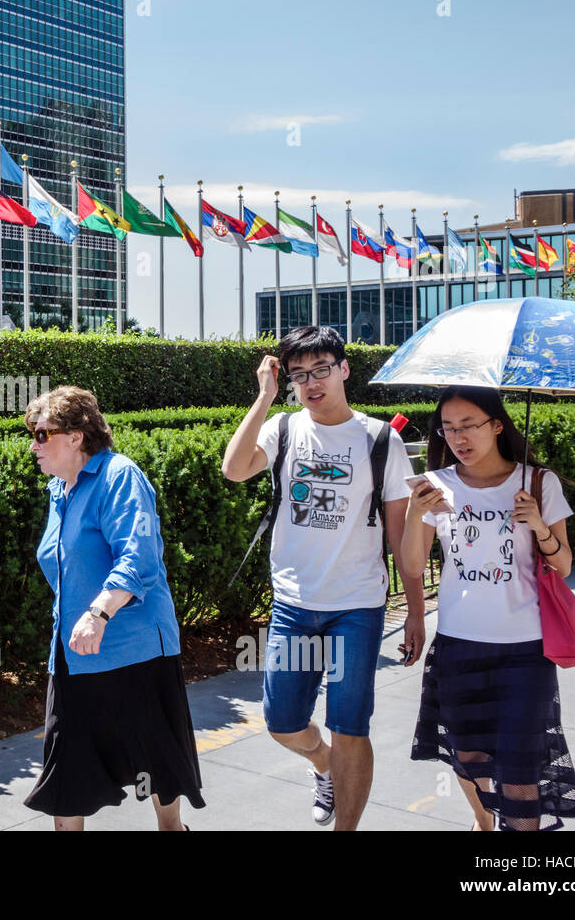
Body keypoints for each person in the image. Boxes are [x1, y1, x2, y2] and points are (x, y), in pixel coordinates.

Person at [222, 325, 419, 830]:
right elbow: (234, 468)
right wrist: (265, 397)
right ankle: (325, 765)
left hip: (357, 605)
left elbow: (399, 535)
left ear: (344, 369)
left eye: (321, 370)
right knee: (283, 723)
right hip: (294, 602)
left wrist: (416, 610)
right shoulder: (284, 429)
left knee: (351, 726)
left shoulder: (380, 438)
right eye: (298, 375)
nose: (311, 383)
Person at [401, 385, 575, 831]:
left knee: (521, 769)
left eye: (469, 426)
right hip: (459, 645)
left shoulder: (538, 483)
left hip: (524, 649)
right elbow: (410, 565)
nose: (458, 438)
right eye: (448, 429)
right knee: (468, 754)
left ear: (497, 425)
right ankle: (486, 824)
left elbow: (562, 566)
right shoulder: (437, 487)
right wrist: (413, 512)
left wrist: (539, 524)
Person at [21, 385, 205, 830]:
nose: (33, 444)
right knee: (66, 779)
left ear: (76, 436)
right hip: (73, 657)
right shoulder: (57, 491)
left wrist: (98, 612)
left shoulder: (119, 476)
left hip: (134, 651)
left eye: (43, 434)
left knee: (161, 775)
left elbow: (137, 555)